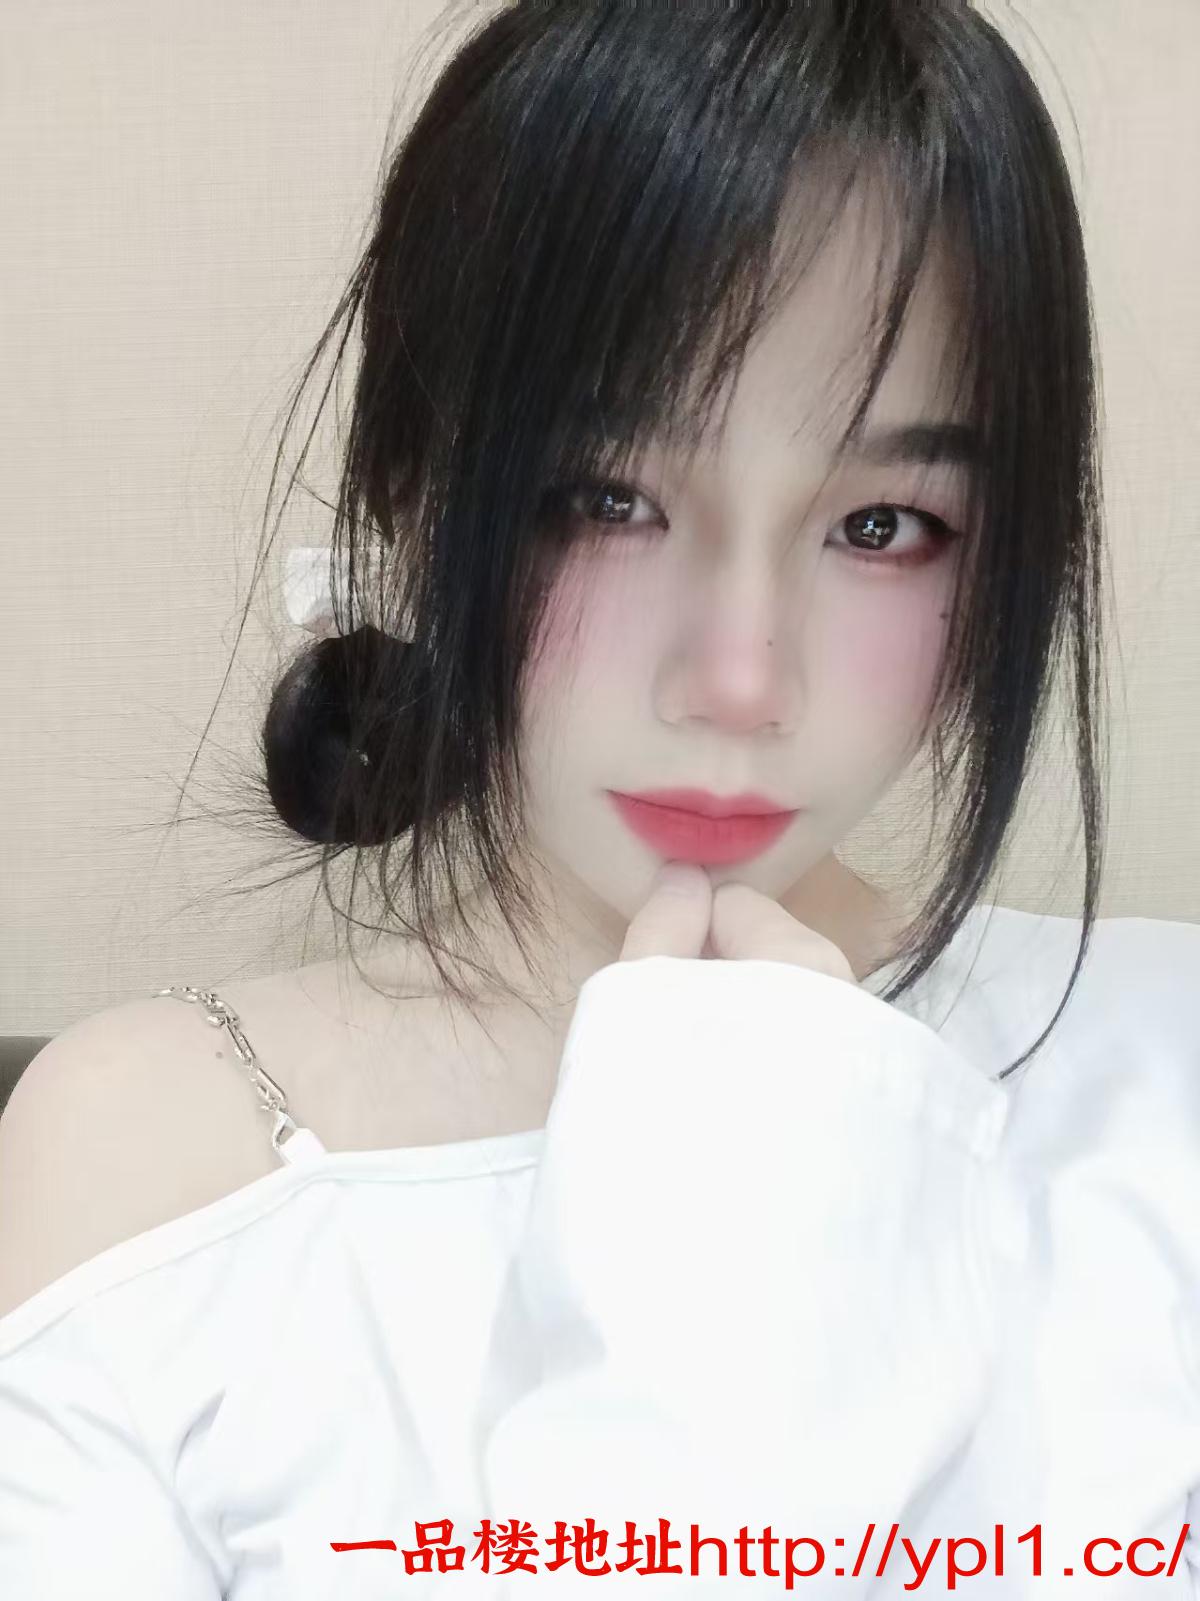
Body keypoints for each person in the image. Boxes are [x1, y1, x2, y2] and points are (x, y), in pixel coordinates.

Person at [1, 1, 1197, 1596]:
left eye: (884, 525)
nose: (741, 676)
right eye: (607, 498)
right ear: (413, 492)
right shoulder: (154, 1157)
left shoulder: (1155, 1077)